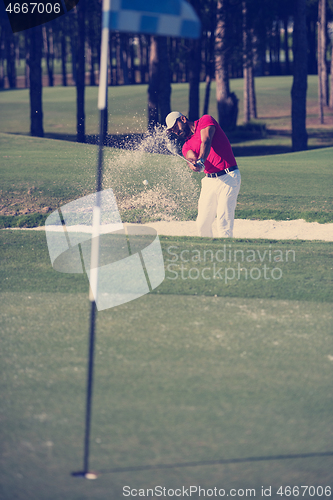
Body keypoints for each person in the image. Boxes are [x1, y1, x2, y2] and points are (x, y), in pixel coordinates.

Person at [165, 111, 241, 238]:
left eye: (175, 127)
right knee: (202, 224)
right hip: (209, 181)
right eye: (172, 131)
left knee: (223, 221)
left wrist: (201, 160)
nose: (175, 132)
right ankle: (207, 252)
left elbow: (206, 141)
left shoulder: (205, 121)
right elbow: (191, 159)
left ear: (183, 119)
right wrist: (195, 165)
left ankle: (226, 253)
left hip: (229, 177)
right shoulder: (186, 146)